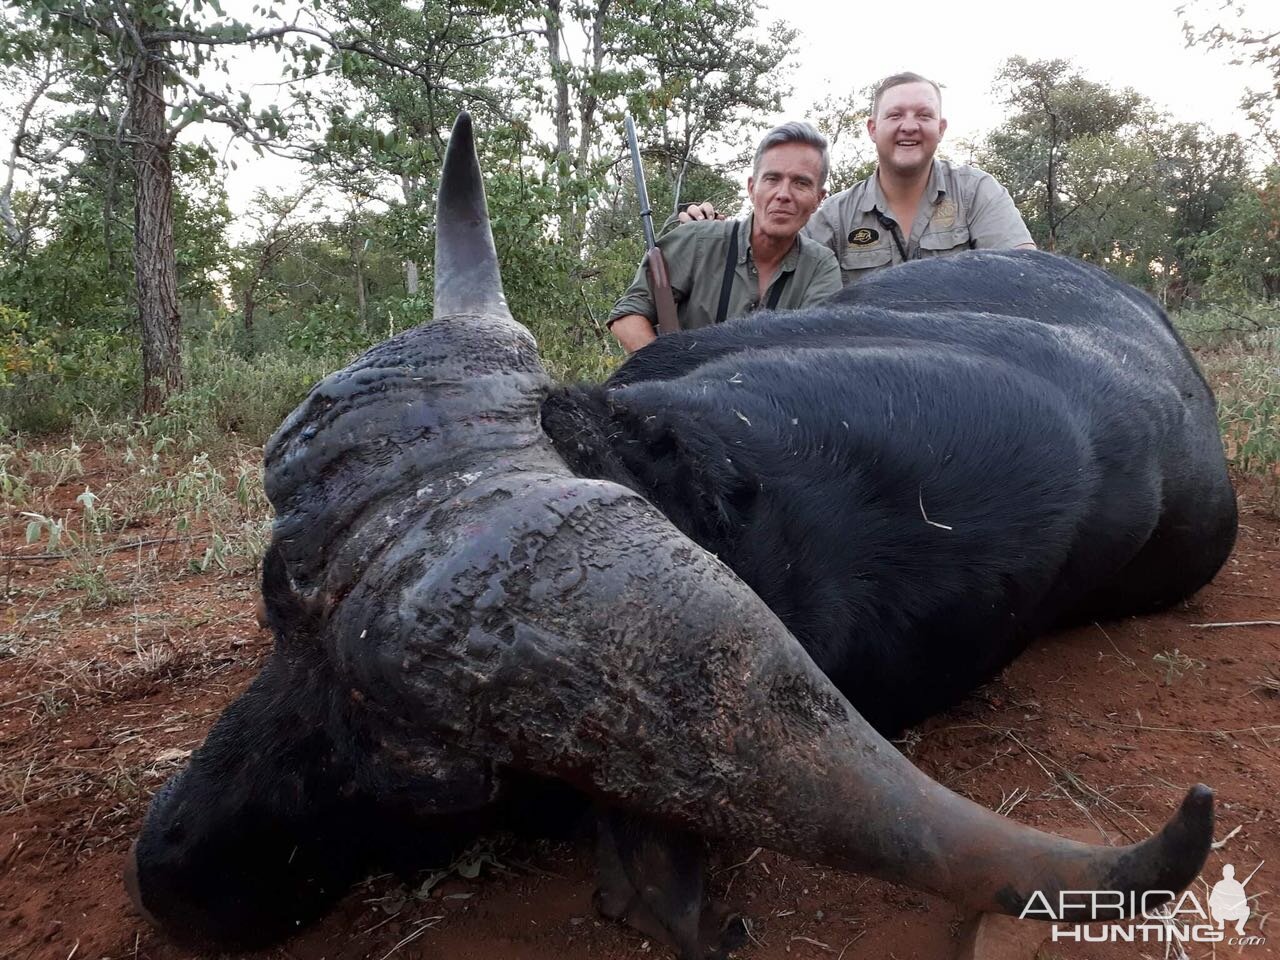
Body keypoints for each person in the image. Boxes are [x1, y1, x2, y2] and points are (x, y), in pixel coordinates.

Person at [681, 73, 1035, 286]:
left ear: (940, 129)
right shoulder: (835, 215)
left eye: (923, 116)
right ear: (872, 128)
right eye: (895, 114)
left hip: (966, 368)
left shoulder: (977, 192)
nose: (908, 125)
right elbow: (769, 255)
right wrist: (706, 231)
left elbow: (1026, 277)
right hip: (867, 380)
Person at [608, 122, 841, 353]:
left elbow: (815, 353)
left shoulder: (821, 267)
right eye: (772, 179)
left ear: (819, 199)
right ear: (751, 188)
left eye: (801, 183)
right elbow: (627, 316)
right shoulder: (697, 240)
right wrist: (664, 372)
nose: (783, 194)